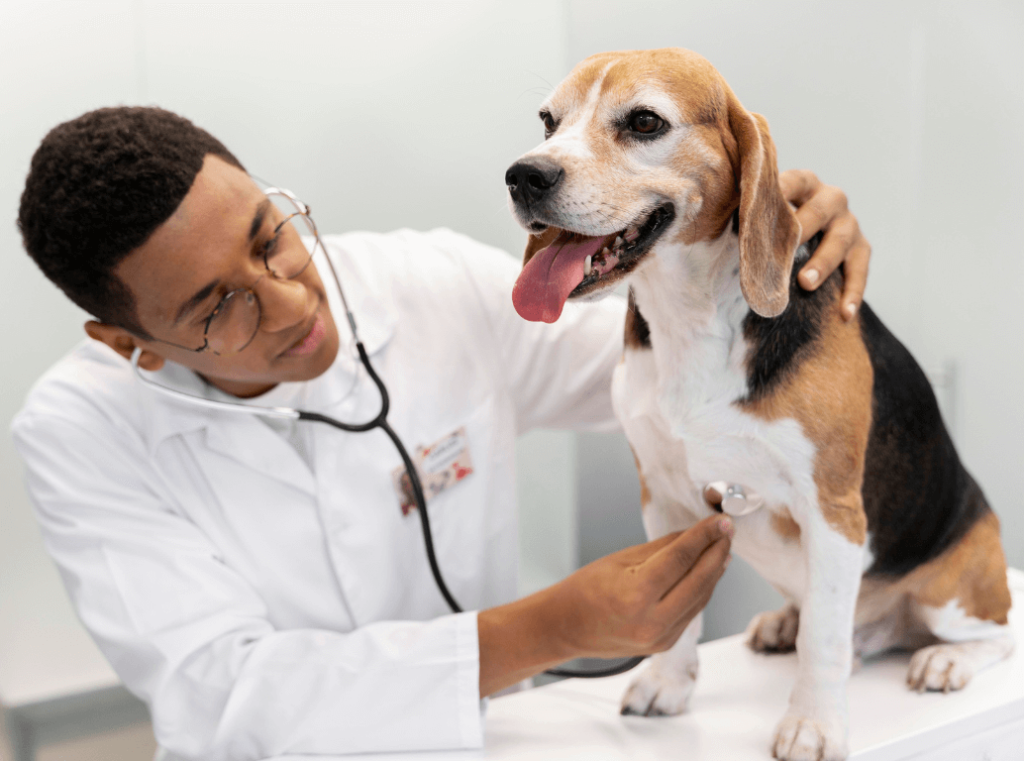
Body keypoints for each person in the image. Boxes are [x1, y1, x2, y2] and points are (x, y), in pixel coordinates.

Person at [11, 107, 871, 760]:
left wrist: (761, 236)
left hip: (497, 735)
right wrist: (551, 630)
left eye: (269, 236)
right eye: (215, 307)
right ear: (128, 343)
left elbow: (664, 376)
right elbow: (220, 692)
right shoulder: (80, 430)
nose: (289, 302)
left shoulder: (425, 280)